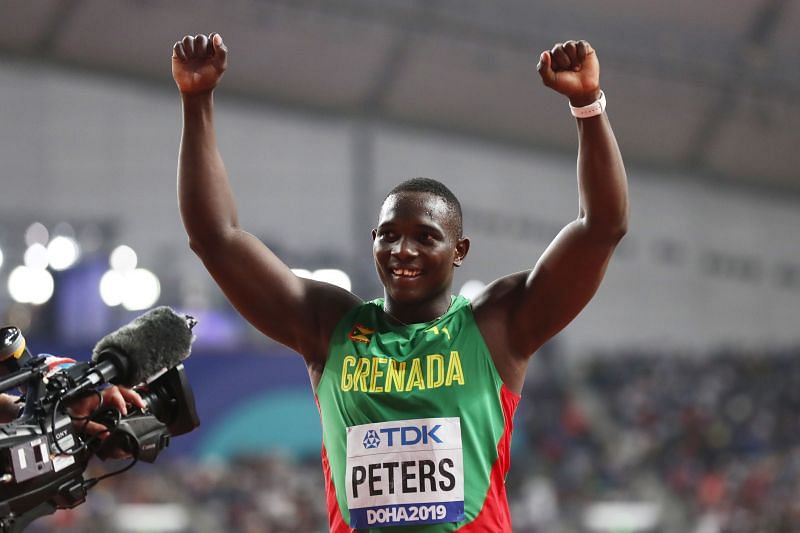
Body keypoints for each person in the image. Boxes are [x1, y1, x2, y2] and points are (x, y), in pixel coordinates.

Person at [172, 32, 628, 532]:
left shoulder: (499, 326)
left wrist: (587, 104)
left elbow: (601, 228)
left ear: (459, 251)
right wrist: (197, 102)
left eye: (424, 237)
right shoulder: (329, 327)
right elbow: (215, 238)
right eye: (388, 235)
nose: (402, 251)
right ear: (372, 240)